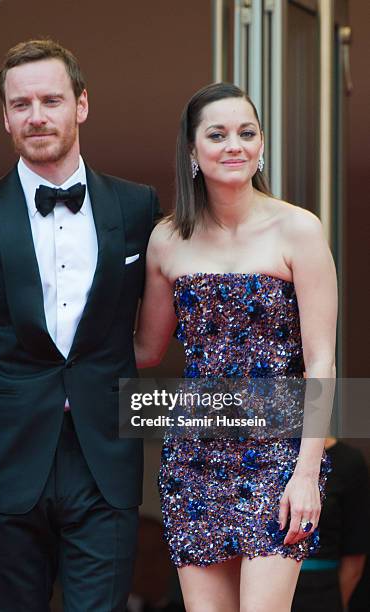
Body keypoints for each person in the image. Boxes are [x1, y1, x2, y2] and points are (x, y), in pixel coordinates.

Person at [0, 38, 160, 612]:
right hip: (3, 467)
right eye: (20, 104)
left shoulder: (137, 207)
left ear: (81, 104)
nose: (36, 116)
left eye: (50, 100)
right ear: (4, 117)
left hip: (105, 458)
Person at [134, 82, 337, 611]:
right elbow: (146, 351)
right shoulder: (166, 240)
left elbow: (321, 360)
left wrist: (307, 473)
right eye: (217, 134)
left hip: (278, 453)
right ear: (192, 151)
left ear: (261, 144)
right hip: (194, 457)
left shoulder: (299, 230)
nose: (234, 145)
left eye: (246, 133)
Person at [292, 437, 370, 612]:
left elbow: (355, 554)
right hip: (265, 587)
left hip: (320, 592)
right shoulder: (264, 460)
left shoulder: (349, 461)